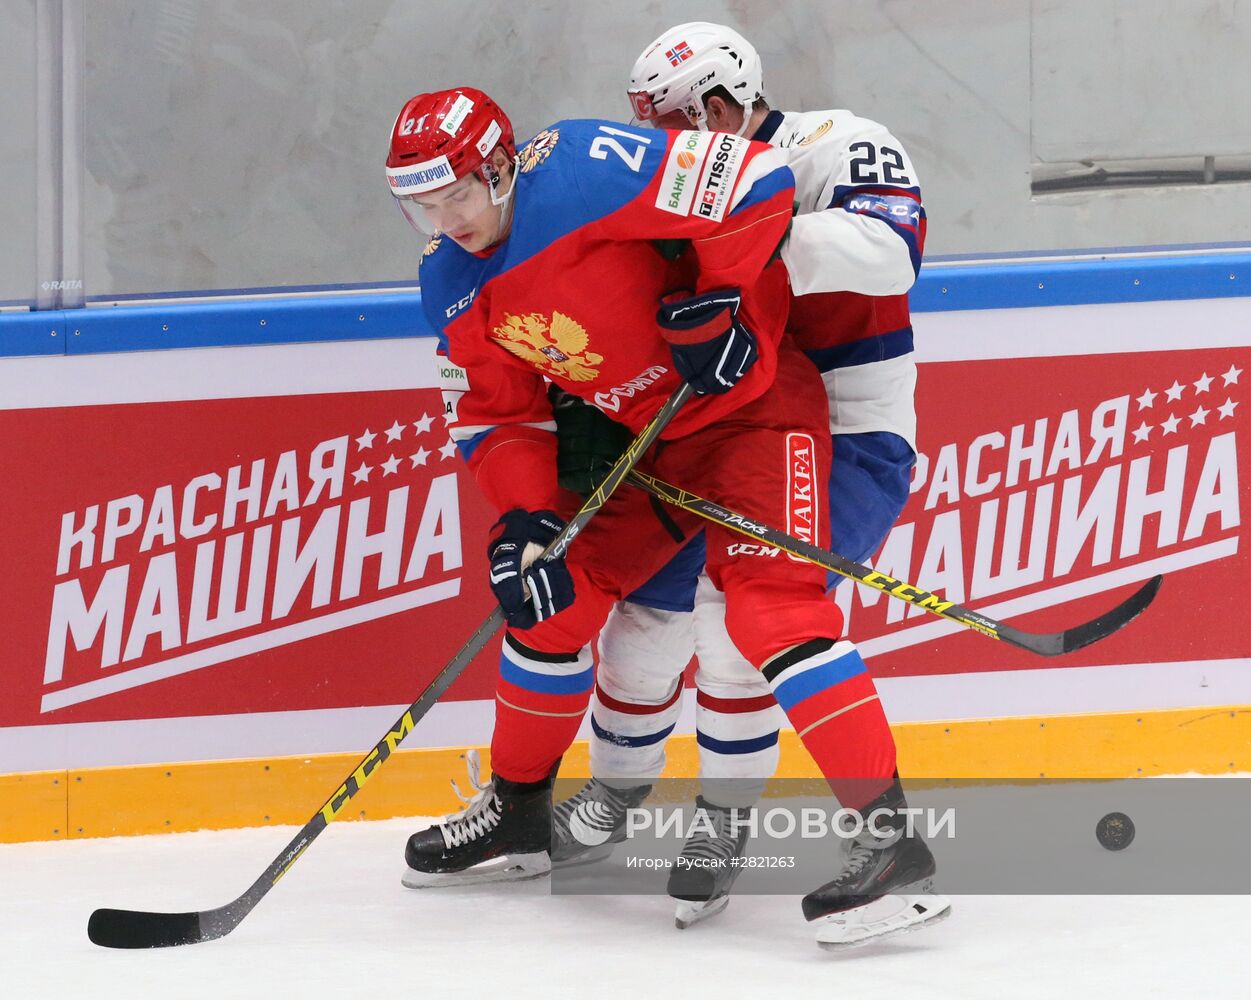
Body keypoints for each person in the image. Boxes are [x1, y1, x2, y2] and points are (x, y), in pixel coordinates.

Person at [387, 85, 931, 949]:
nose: (442, 218)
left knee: (768, 613)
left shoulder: (575, 168)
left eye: (454, 193)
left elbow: (750, 176)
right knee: (551, 596)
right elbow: (498, 415)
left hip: (757, 414)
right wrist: (524, 518)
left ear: (496, 168)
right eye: (418, 202)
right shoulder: (447, 280)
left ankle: (891, 846)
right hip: (647, 442)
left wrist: (718, 297)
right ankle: (519, 815)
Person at [547, 22, 948, 946]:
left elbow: (893, 252)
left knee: (741, 628)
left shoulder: (833, 142)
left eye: (681, 121)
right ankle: (610, 798)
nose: (667, 144)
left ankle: (732, 825)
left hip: (843, 432)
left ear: (726, 105)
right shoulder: (676, 178)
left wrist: (743, 251)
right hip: (712, 430)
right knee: (643, 622)